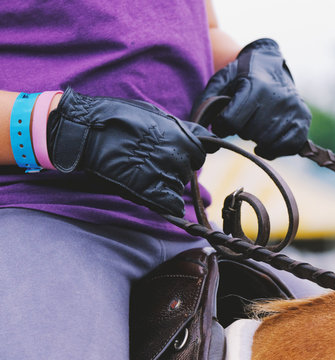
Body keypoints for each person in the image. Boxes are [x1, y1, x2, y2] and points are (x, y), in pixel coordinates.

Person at [0, 1, 311, 359]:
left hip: (189, 227)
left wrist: (247, 67)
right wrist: (57, 129)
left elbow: (197, 31)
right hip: (36, 210)